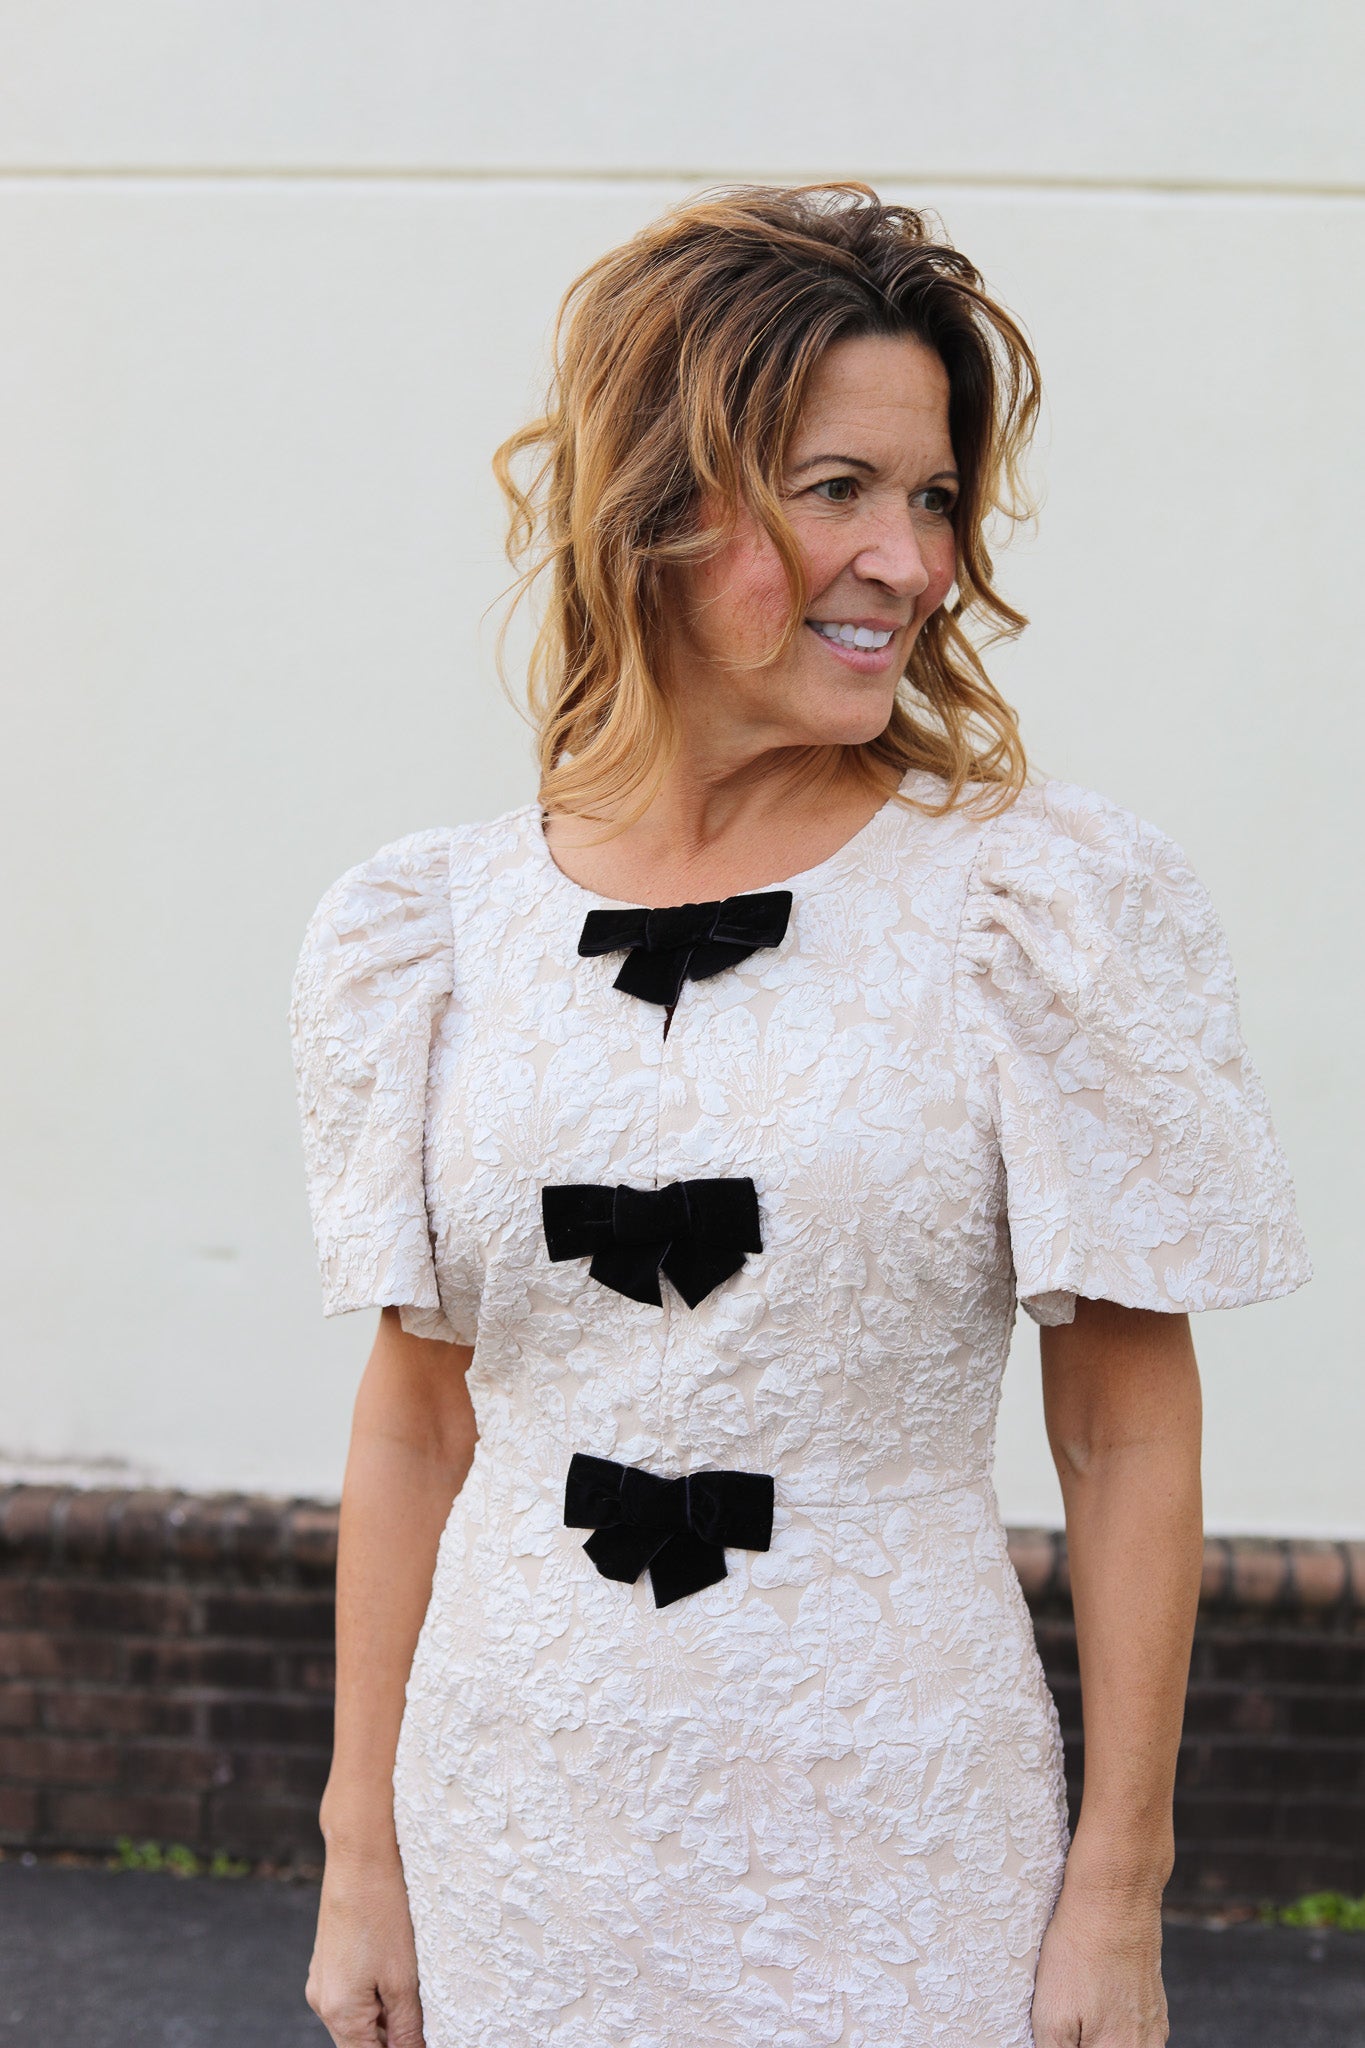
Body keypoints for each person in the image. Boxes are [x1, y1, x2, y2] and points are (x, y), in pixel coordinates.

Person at [291, 184, 1310, 2048]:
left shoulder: (1033, 905)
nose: (908, 563)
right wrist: (361, 1843)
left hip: (894, 1821)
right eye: (838, 488)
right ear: (658, 506)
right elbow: (418, 1415)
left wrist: (1118, 1890)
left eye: (932, 499)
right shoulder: (429, 930)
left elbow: (1122, 1428)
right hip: (515, 1814)